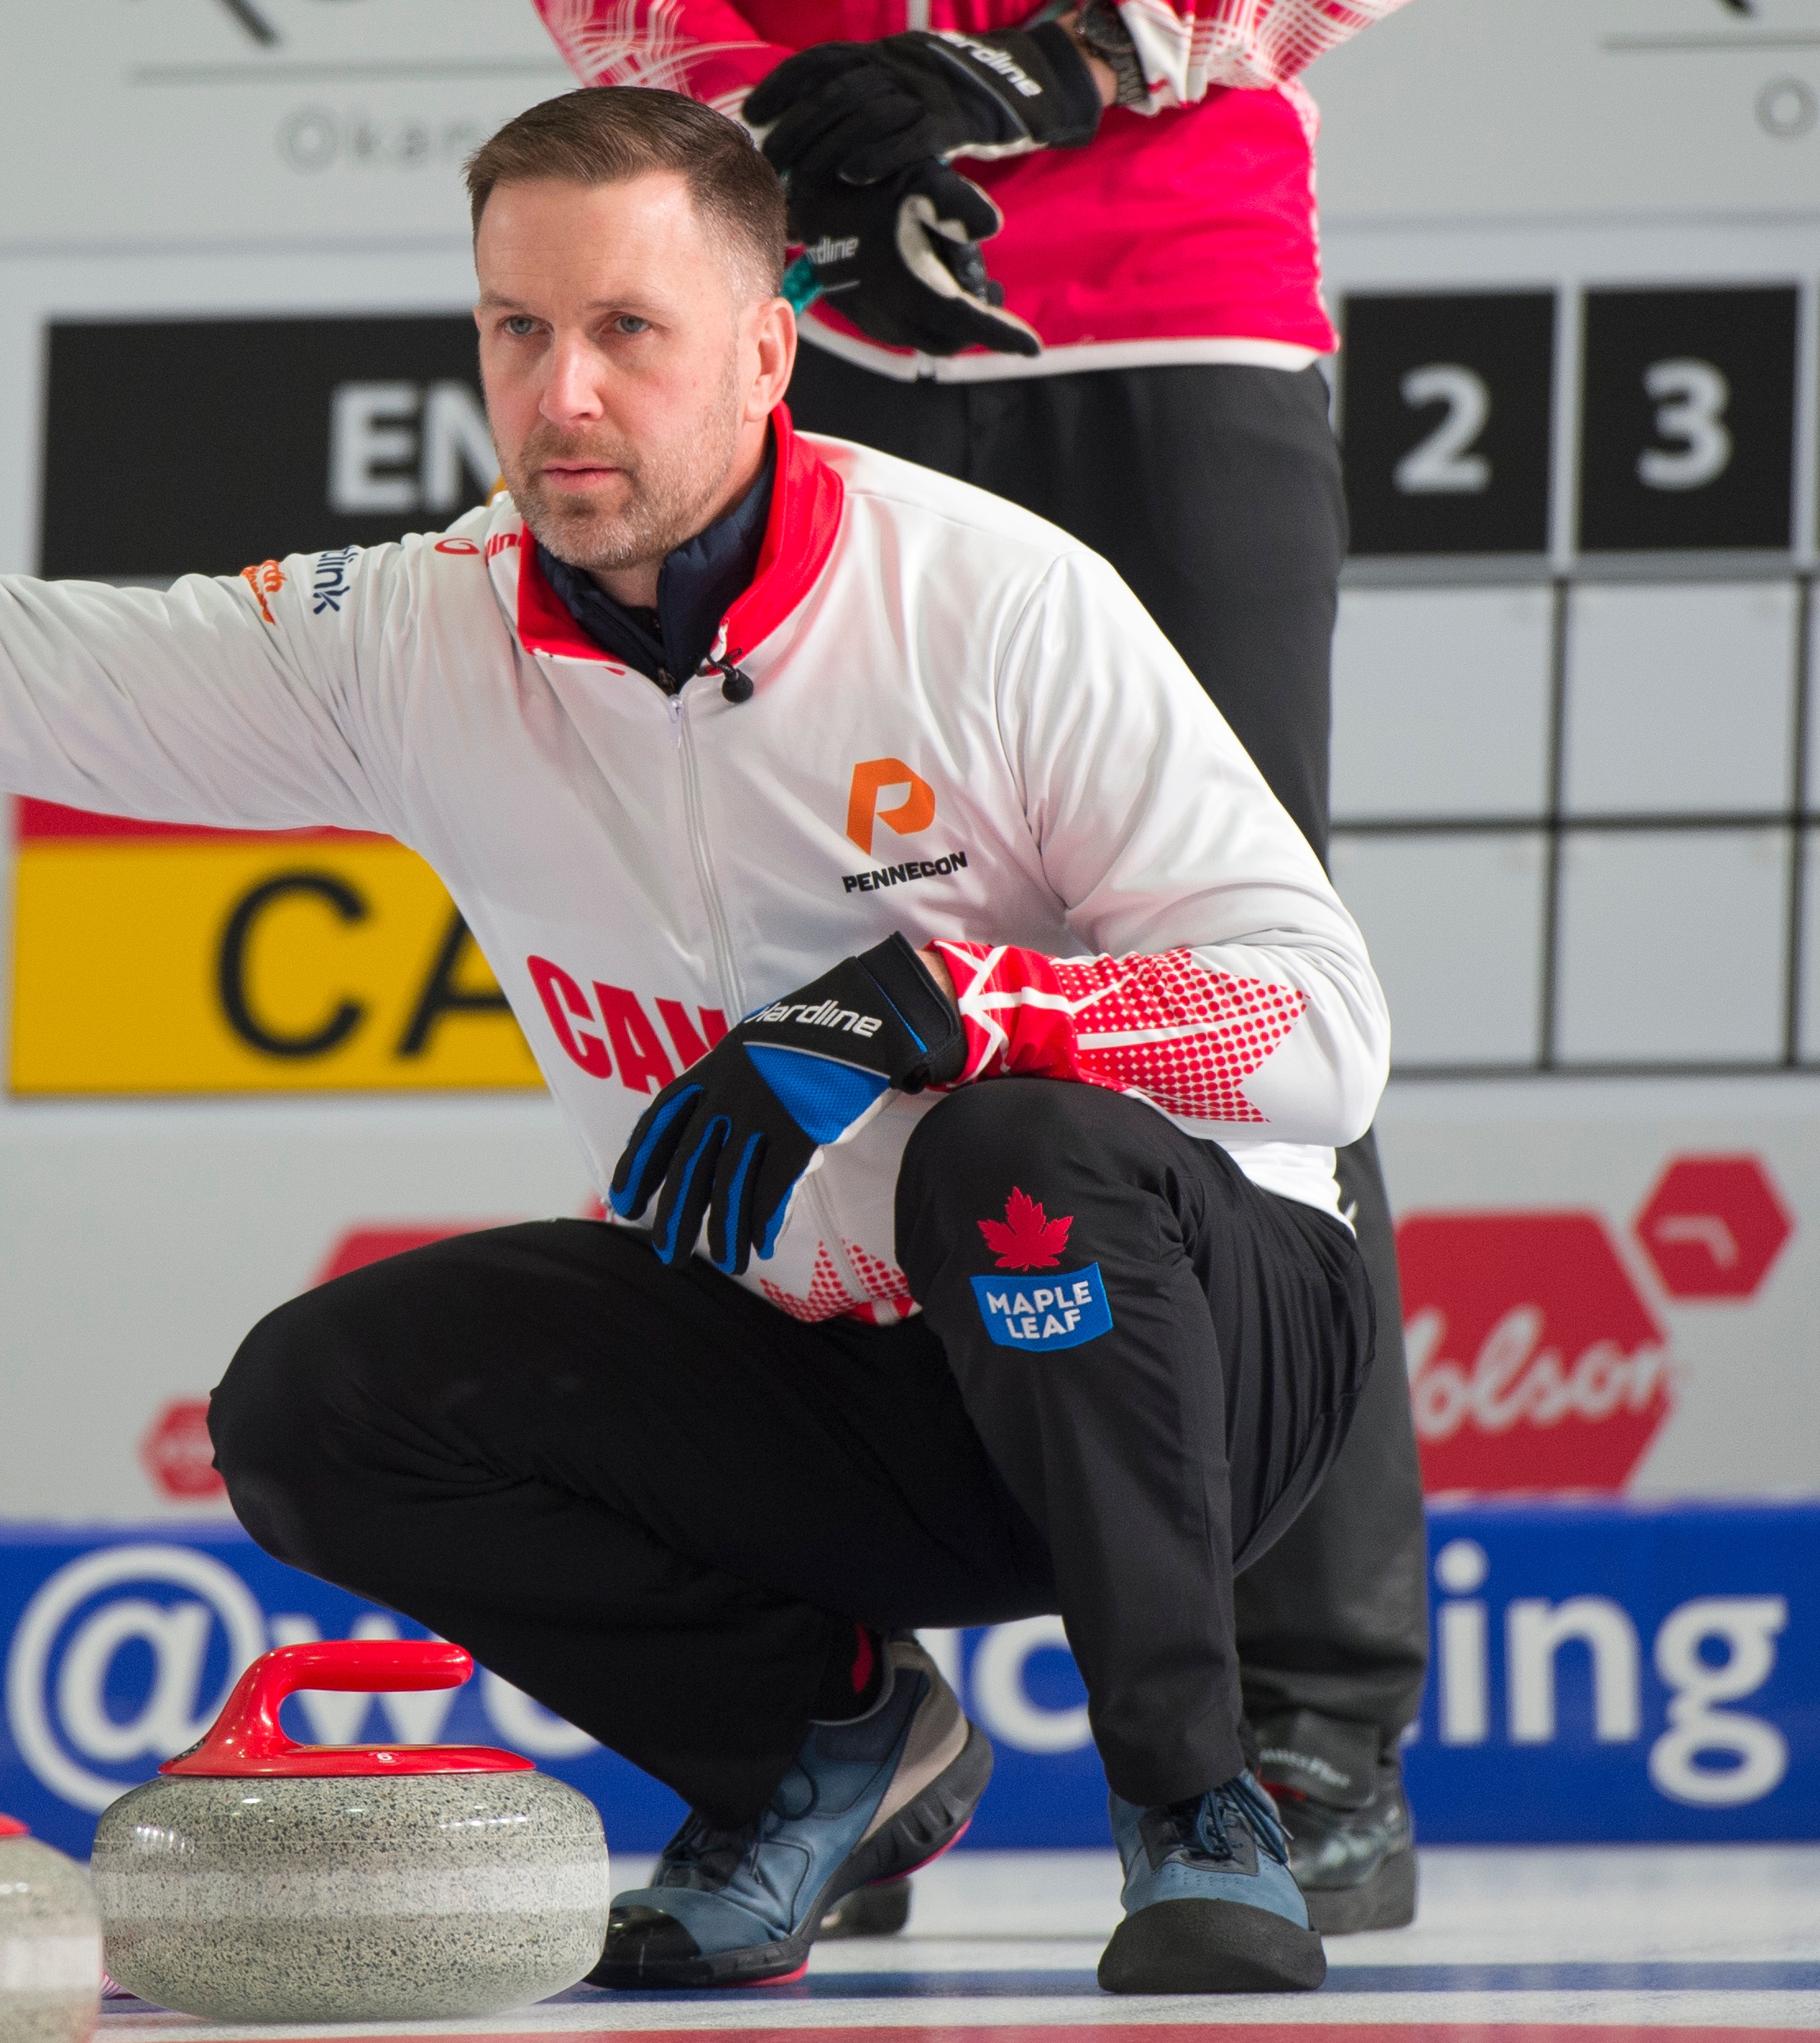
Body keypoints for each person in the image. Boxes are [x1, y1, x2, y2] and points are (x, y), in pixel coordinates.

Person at [0, 88, 1389, 1995]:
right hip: (854, 1386)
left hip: (1199, 1362)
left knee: (1006, 1161)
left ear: (771, 352)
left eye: (627, 328)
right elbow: (14, 666)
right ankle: (821, 1743)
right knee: (320, 1402)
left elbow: (1321, 1038)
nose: (562, 392)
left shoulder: (993, 605)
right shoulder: (410, 628)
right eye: (516, 328)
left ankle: (1188, 1801)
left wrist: (947, 1002)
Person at [529, 0, 1430, 1934]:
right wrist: (760, 134)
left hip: (1176, 295)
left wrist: (1056, 65)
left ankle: (1311, 1730)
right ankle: (826, 1729)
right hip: (812, 295)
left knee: (1235, 992)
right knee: (790, 983)